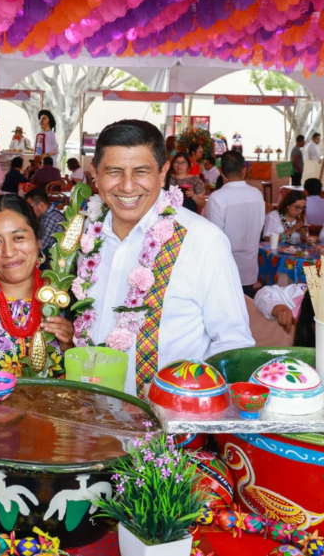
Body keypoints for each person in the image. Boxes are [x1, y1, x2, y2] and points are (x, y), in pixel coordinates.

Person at [79, 120, 254, 395]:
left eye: (141, 171)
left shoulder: (204, 242)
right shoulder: (86, 237)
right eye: (114, 171)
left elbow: (233, 345)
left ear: (163, 174)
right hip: (90, 419)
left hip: (172, 431)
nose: (127, 186)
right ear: (95, 174)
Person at [0, 195, 73, 376]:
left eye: (18, 237)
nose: (9, 252)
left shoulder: (63, 295)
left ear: (38, 242)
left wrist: (69, 345)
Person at [204, 151, 266, 296]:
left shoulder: (217, 198)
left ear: (220, 171)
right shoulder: (257, 194)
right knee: (246, 310)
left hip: (225, 268)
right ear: (244, 170)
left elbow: (214, 237)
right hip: (249, 266)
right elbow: (260, 225)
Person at [25, 187, 65, 253]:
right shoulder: (46, 215)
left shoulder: (51, 218)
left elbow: (39, 246)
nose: (29, 211)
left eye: (30, 208)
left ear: (41, 205)